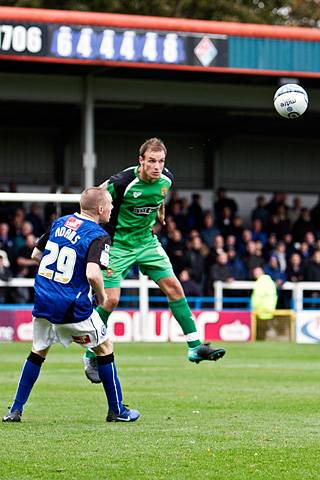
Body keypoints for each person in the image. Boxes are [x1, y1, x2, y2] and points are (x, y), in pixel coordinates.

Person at [83, 138, 225, 382]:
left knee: (175, 288)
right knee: (111, 300)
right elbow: (95, 197)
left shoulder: (166, 180)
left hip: (146, 242)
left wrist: (161, 211)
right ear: (141, 161)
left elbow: (158, 198)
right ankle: (90, 354)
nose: (156, 166)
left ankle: (195, 347)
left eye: (160, 161)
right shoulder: (123, 182)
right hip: (118, 244)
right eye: (151, 161)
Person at [2, 187, 140, 423]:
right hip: (72, 305)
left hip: (44, 299)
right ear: (100, 209)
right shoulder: (98, 234)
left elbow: (37, 254)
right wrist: (102, 296)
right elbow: (93, 274)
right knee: (105, 346)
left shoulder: (60, 222)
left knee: (38, 351)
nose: (112, 208)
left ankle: (15, 410)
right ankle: (117, 410)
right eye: (110, 204)